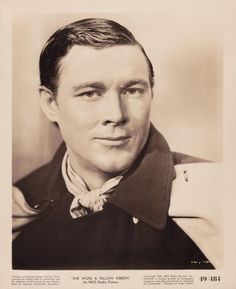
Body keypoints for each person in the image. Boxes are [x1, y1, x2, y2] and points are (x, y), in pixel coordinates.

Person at [12, 18, 221, 269]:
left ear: (151, 93)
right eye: (90, 93)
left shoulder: (218, 198)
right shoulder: (17, 205)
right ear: (50, 104)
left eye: (133, 90)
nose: (116, 114)